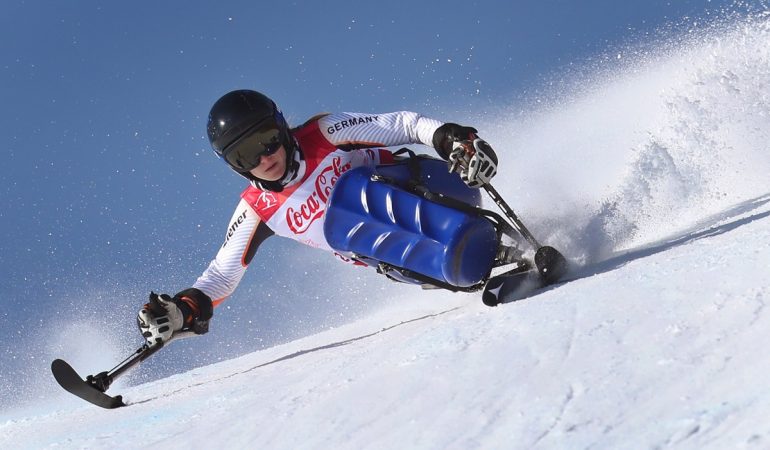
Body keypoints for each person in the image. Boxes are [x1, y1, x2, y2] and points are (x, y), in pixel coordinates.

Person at [137, 89, 499, 346]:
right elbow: (222, 273)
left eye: (266, 139)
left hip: (441, 190)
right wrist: (184, 310)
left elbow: (400, 125)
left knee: (349, 197)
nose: (265, 158)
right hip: (413, 256)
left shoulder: (323, 134)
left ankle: (467, 244)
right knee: (342, 227)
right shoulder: (257, 208)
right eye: (246, 155)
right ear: (234, 167)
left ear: (280, 127)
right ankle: (479, 259)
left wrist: (451, 139)